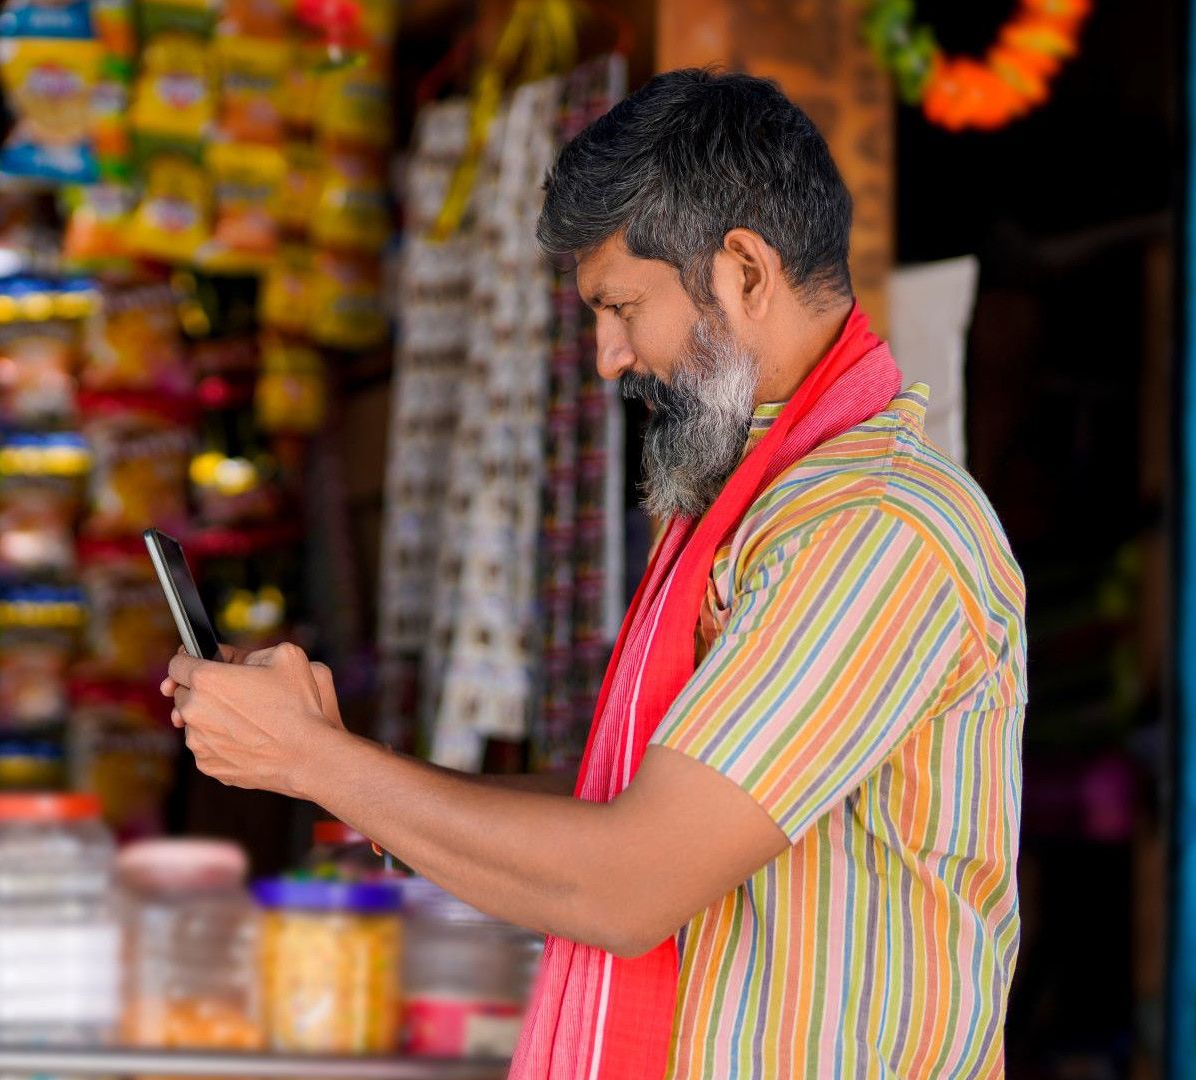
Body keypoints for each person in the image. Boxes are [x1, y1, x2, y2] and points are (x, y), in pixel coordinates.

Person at [160, 69, 1025, 1079]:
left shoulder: (870, 529)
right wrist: (342, 766)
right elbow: (639, 807)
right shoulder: (759, 512)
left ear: (745, 271)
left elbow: (627, 881)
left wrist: (316, 763)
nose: (610, 357)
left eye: (622, 307)